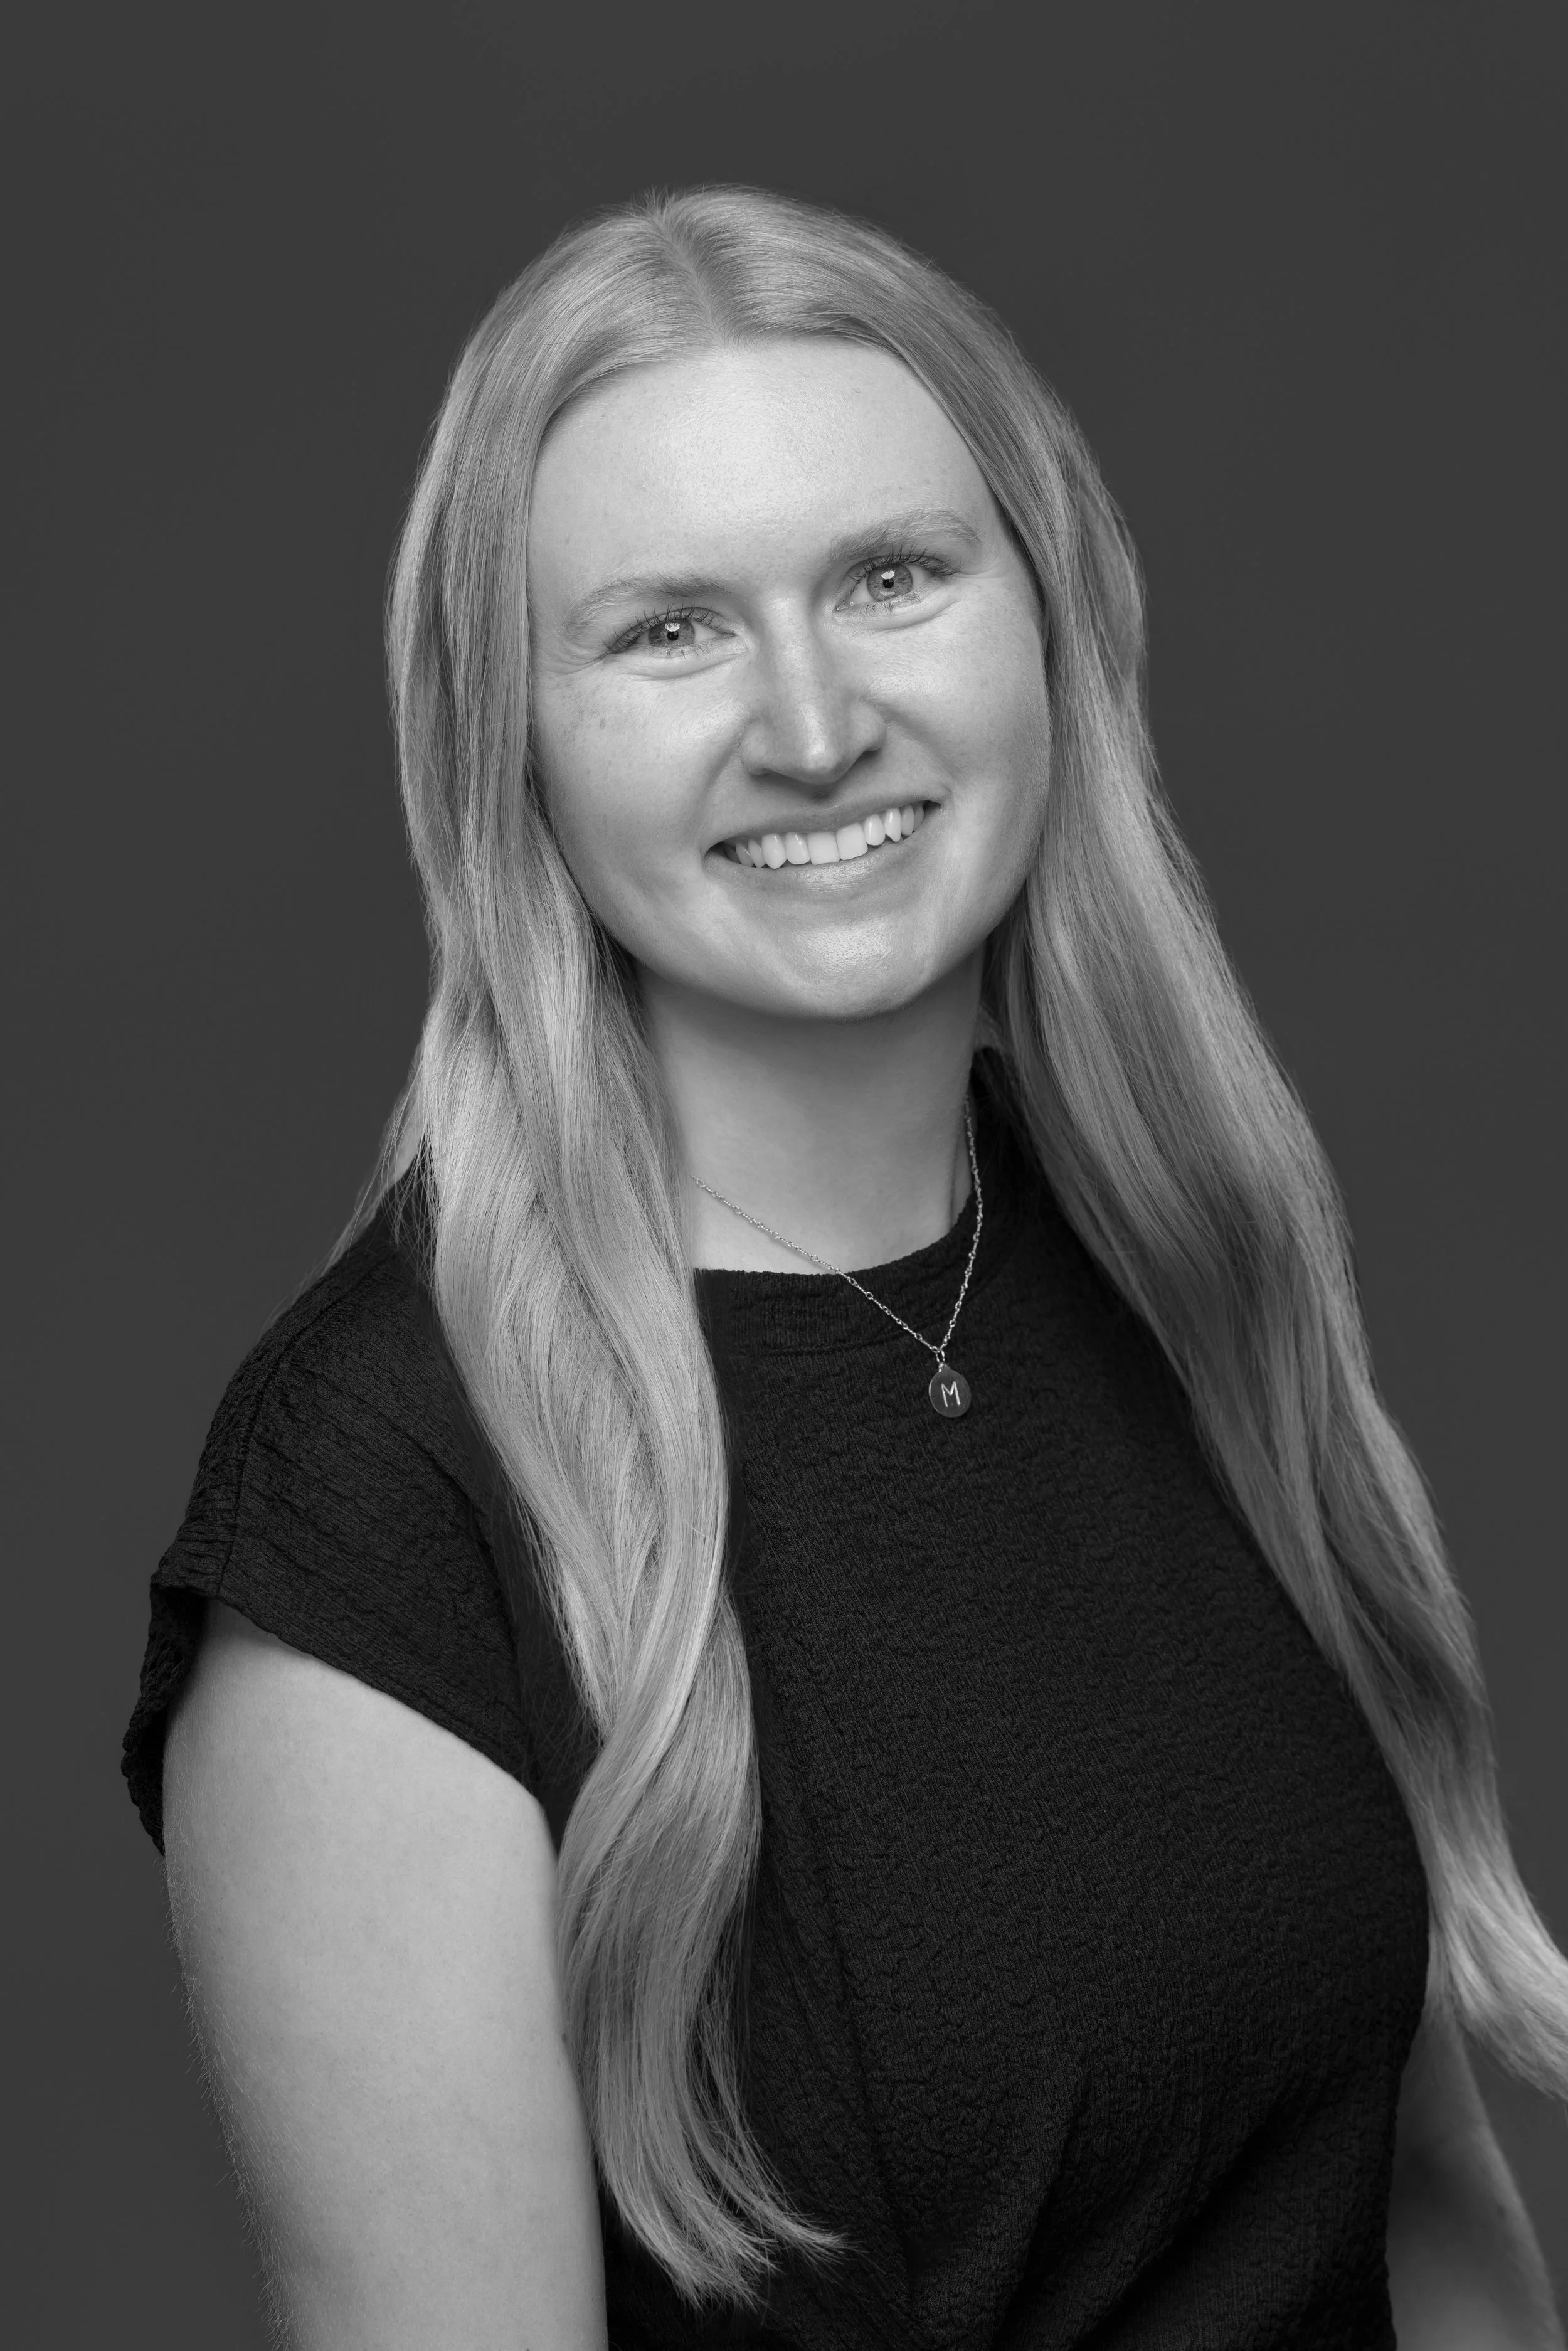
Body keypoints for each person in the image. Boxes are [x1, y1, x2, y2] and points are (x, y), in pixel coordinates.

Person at [123, 185, 1567, 2349]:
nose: (812, 726)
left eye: (891, 578)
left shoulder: (1184, 1262)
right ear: (506, 742)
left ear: (1044, 617)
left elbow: (1419, 2209)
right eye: (666, 628)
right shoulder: (384, 1499)